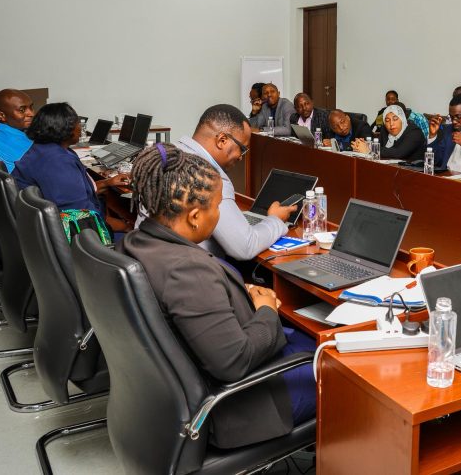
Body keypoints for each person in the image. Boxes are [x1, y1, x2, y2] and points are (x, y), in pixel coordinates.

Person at [119, 144, 316, 448]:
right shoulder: (187, 271)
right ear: (195, 216)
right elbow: (234, 362)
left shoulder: (138, 240)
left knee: (306, 340)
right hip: (241, 408)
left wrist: (233, 290)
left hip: (174, 394)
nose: (219, 214)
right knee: (340, 369)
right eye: (217, 207)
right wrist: (266, 309)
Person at [140, 104, 294, 261]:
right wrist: (275, 219)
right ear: (222, 140)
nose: (241, 157)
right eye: (242, 149)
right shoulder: (208, 177)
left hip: (150, 260)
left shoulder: (169, 155)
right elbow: (244, 247)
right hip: (191, 267)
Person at [13, 103, 130, 227]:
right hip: (76, 233)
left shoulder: (42, 150)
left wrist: (107, 183)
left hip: (42, 227)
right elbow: (80, 216)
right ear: (65, 127)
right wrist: (125, 227)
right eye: (77, 122)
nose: (80, 127)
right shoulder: (57, 161)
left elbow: (74, 193)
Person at [353, 104, 426, 162]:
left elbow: (399, 153)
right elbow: (380, 149)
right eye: (387, 120)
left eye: (395, 119)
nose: (391, 124)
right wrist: (362, 145)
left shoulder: (415, 132)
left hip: (413, 172)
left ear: (402, 119)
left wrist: (369, 148)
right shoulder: (385, 130)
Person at [0, 89, 35, 171]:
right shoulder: (9, 139)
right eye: (22, 110)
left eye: (31, 107)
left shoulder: (2, 135)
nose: (31, 114)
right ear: (1, 116)